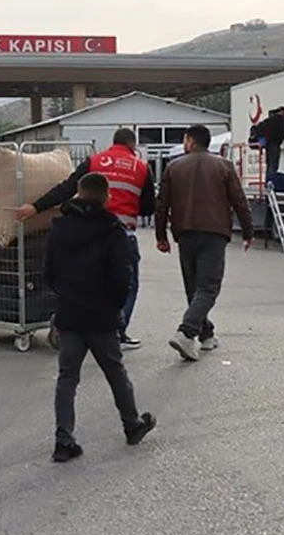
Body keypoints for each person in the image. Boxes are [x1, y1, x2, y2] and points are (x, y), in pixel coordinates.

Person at [44, 173, 157, 463]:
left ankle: (63, 438)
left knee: (67, 378)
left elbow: (49, 273)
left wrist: (65, 296)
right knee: (115, 373)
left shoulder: (59, 227)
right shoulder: (112, 230)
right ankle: (132, 424)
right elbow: (122, 278)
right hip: (102, 315)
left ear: (78, 193)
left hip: (69, 313)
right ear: (106, 197)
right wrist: (115, 307)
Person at [15, 127, 156, 350]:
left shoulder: (94, 161)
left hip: (84, 231)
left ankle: (70, 322)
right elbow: (148, 207)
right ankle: (115, 331)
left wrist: (35, 207)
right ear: (133, 146)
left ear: (113, 143)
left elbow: (67, 188)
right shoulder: (141, 167)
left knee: (84, 282)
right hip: (120, 234)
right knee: (126, 285)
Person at [154, 125, 254, 362]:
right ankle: (187, 332)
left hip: (185, 232)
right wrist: (248, 231)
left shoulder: (174, 167)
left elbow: (162, 204)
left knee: (194, 287)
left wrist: (161, 236)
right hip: (214, 232)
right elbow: (239, 201)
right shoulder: (223, 166)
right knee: (208, 287)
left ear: (190, 141)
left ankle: (206, 334)